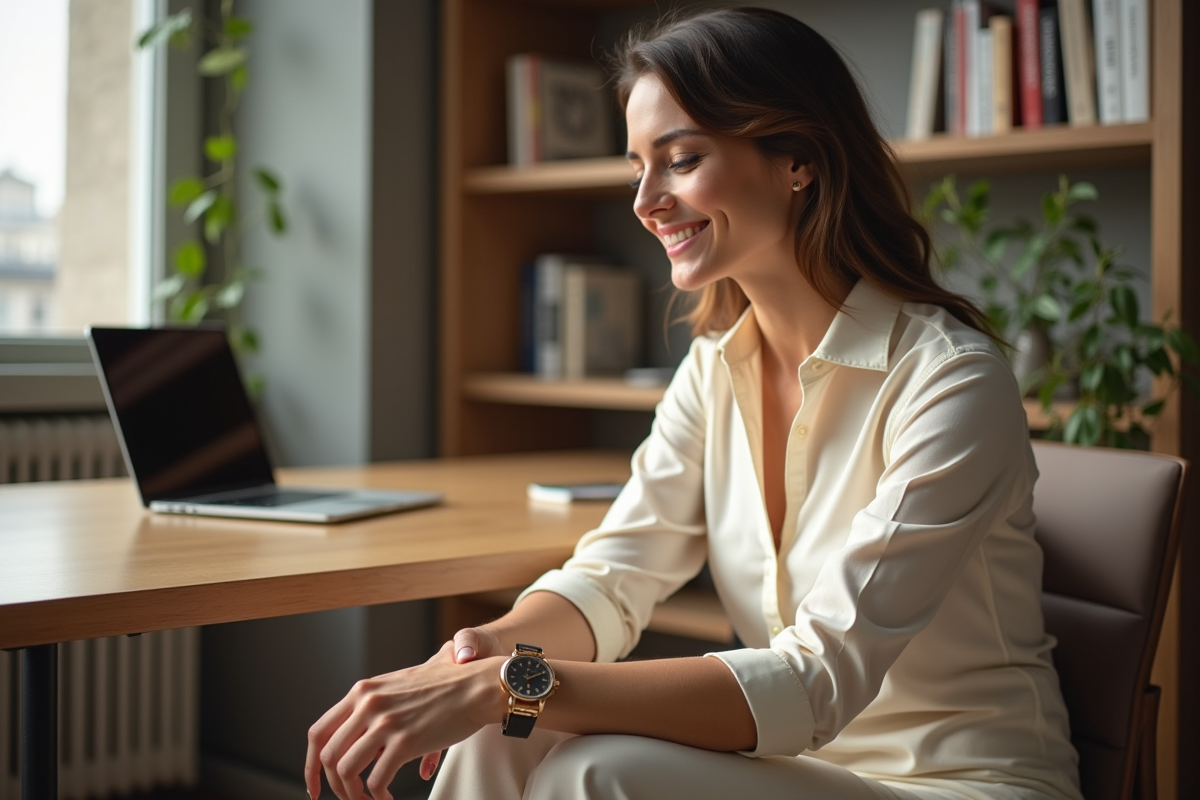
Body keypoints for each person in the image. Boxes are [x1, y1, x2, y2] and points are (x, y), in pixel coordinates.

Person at [304, 8, 1083, 800]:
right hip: (801, 769)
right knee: (496, 725)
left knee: (578, 754)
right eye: (638, 167)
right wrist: (480, 654)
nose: (647, 200)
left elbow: (817, 678)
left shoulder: (950, 381)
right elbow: (613, 577)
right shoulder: (714, 370)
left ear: (798, 161)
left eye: (680, 160)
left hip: (959, 782)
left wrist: (517, 682)